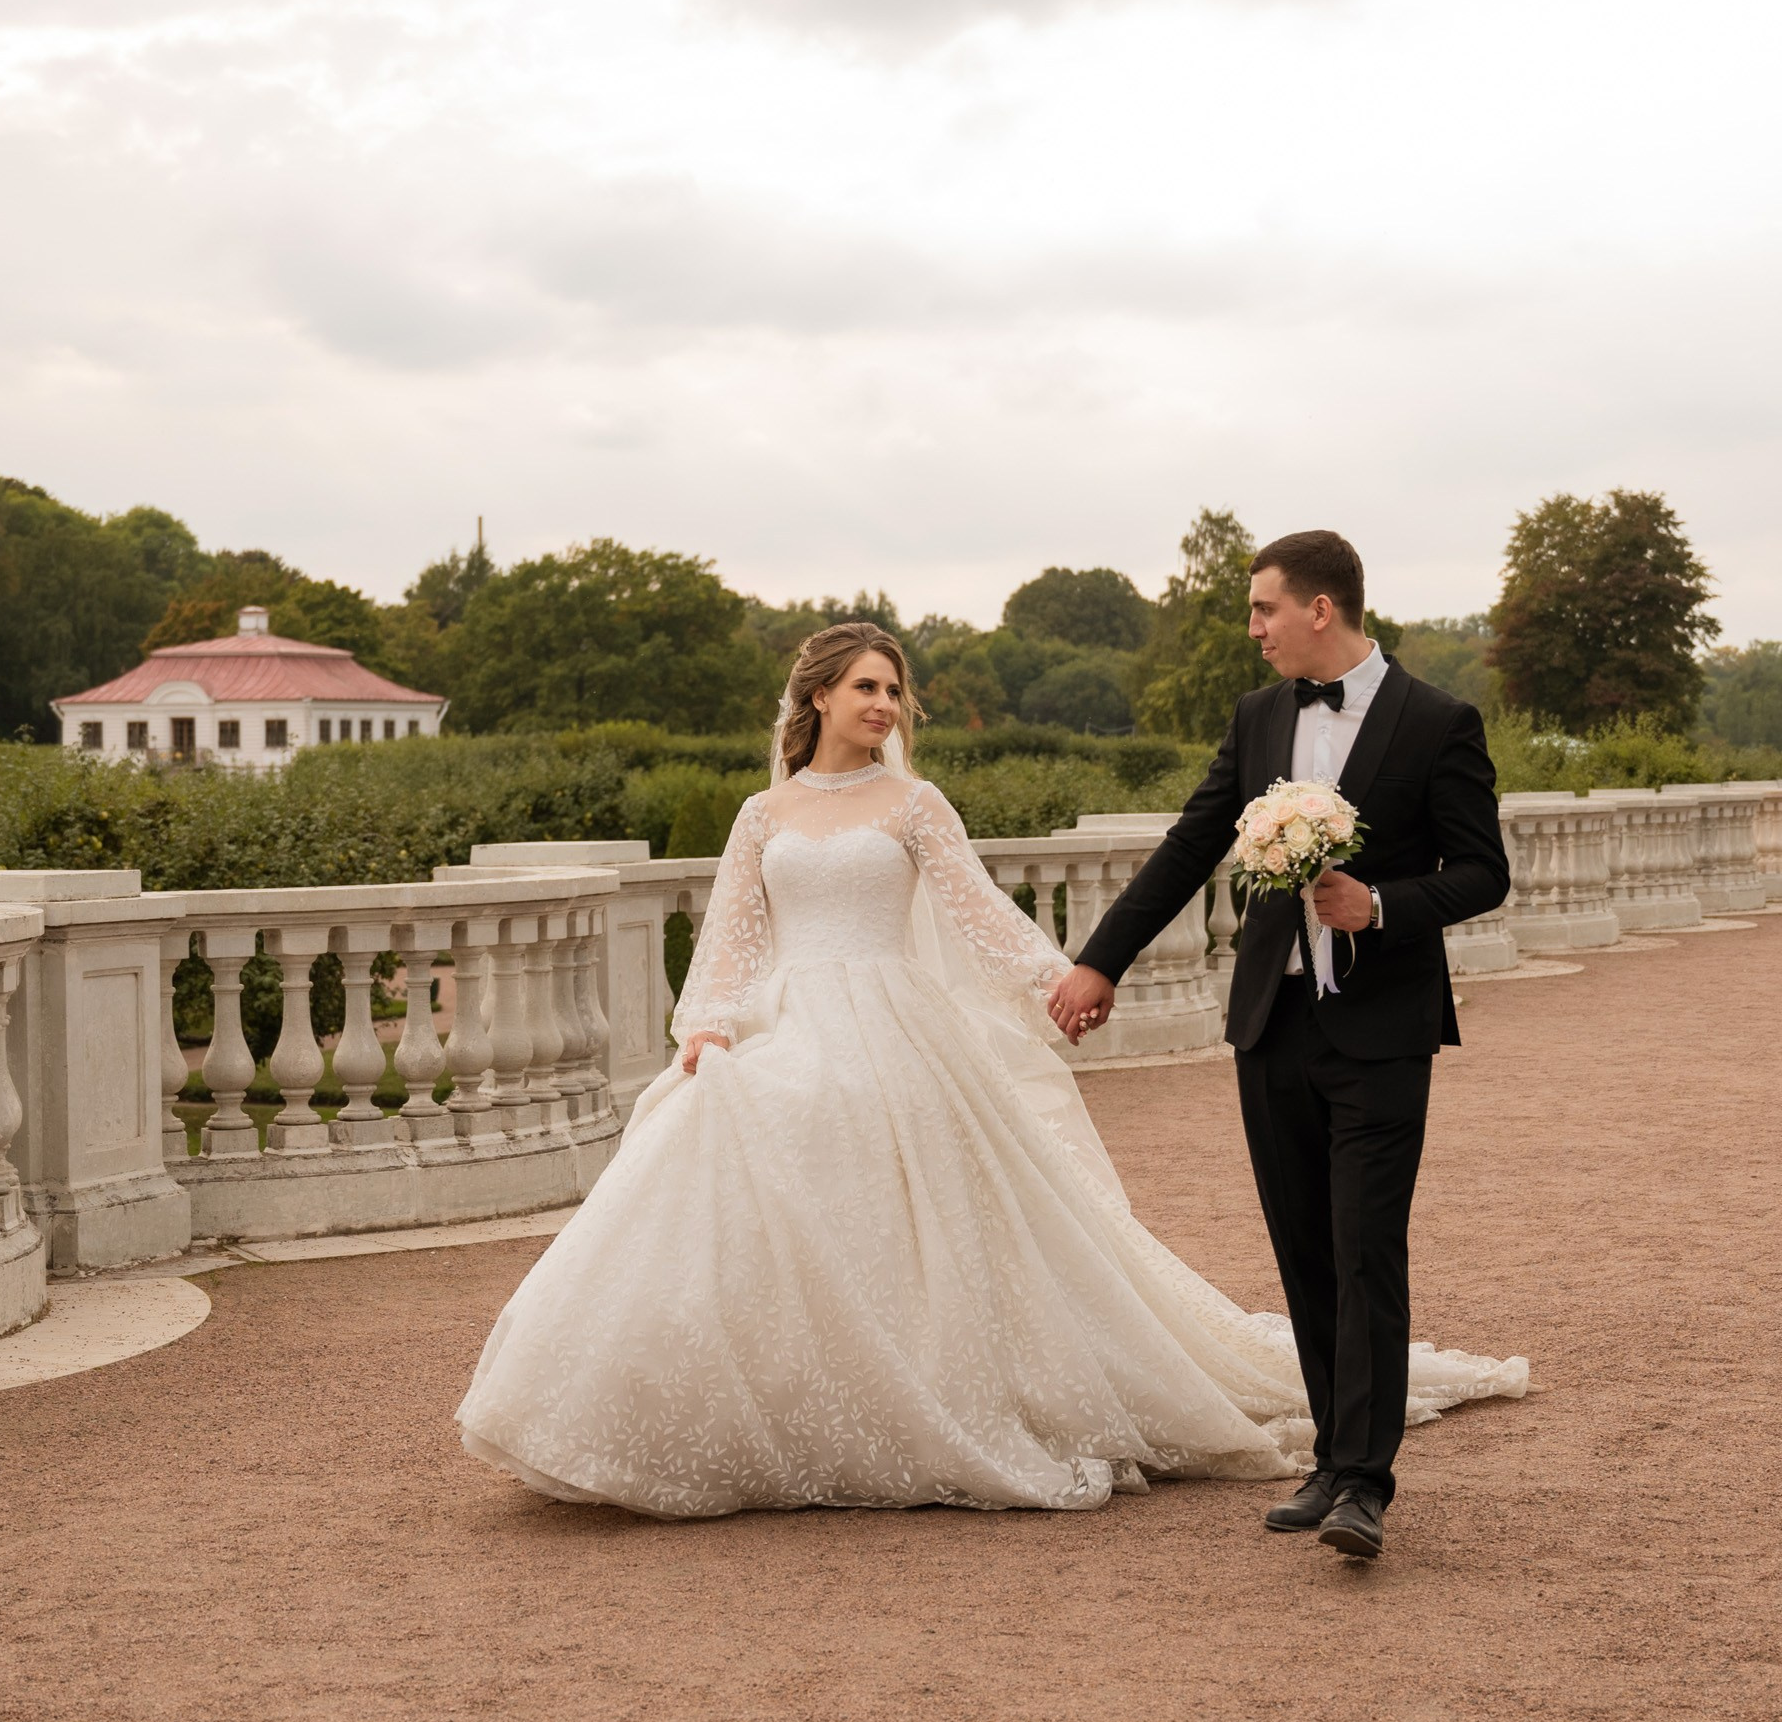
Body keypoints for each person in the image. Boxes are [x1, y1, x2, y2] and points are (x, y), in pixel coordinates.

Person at [457, 617, 1524, 1524]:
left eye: (894, 687)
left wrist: (1066, 979)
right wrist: (706, 1026)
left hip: (895, 1024)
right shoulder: (760, 814)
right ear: (815, 695)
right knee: (722, 1138)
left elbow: (976, 911)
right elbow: (729, 937)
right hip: (787, 1018)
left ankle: (919, 1397)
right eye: (865, 686)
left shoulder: (914, 806)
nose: (884, 702)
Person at [1050, 529, 1512, 1561]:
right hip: (1270, 1021)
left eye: (1262, 609)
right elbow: (1189, 842)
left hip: (1381, 1027)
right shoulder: (1260, 717)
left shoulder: (1437, 720)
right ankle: (1325, 1455)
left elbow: (1482, 872)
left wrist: (1378, 903)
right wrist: (1099, 961)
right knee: (1302, 1245)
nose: (1252, 629)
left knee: (1363, 1245)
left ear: (1319, 607)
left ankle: (1363, 1482)